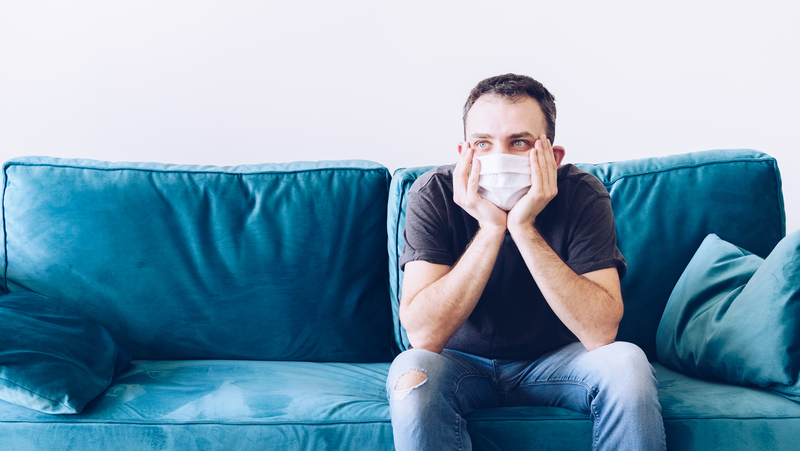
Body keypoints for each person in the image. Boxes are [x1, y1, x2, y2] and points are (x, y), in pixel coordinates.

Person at [386, 73, 666, 451]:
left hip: (557, 363)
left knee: (627, 363)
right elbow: (422, 335)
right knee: (411, 373)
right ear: (464, 153)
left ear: (551, 155)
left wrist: (523, 226)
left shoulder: (582, 193)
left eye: (519, 142)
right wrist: (489, 229)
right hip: (459, 363)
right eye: (483, 143)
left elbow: (601, 333)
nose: (497, 157)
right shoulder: (433, 192)